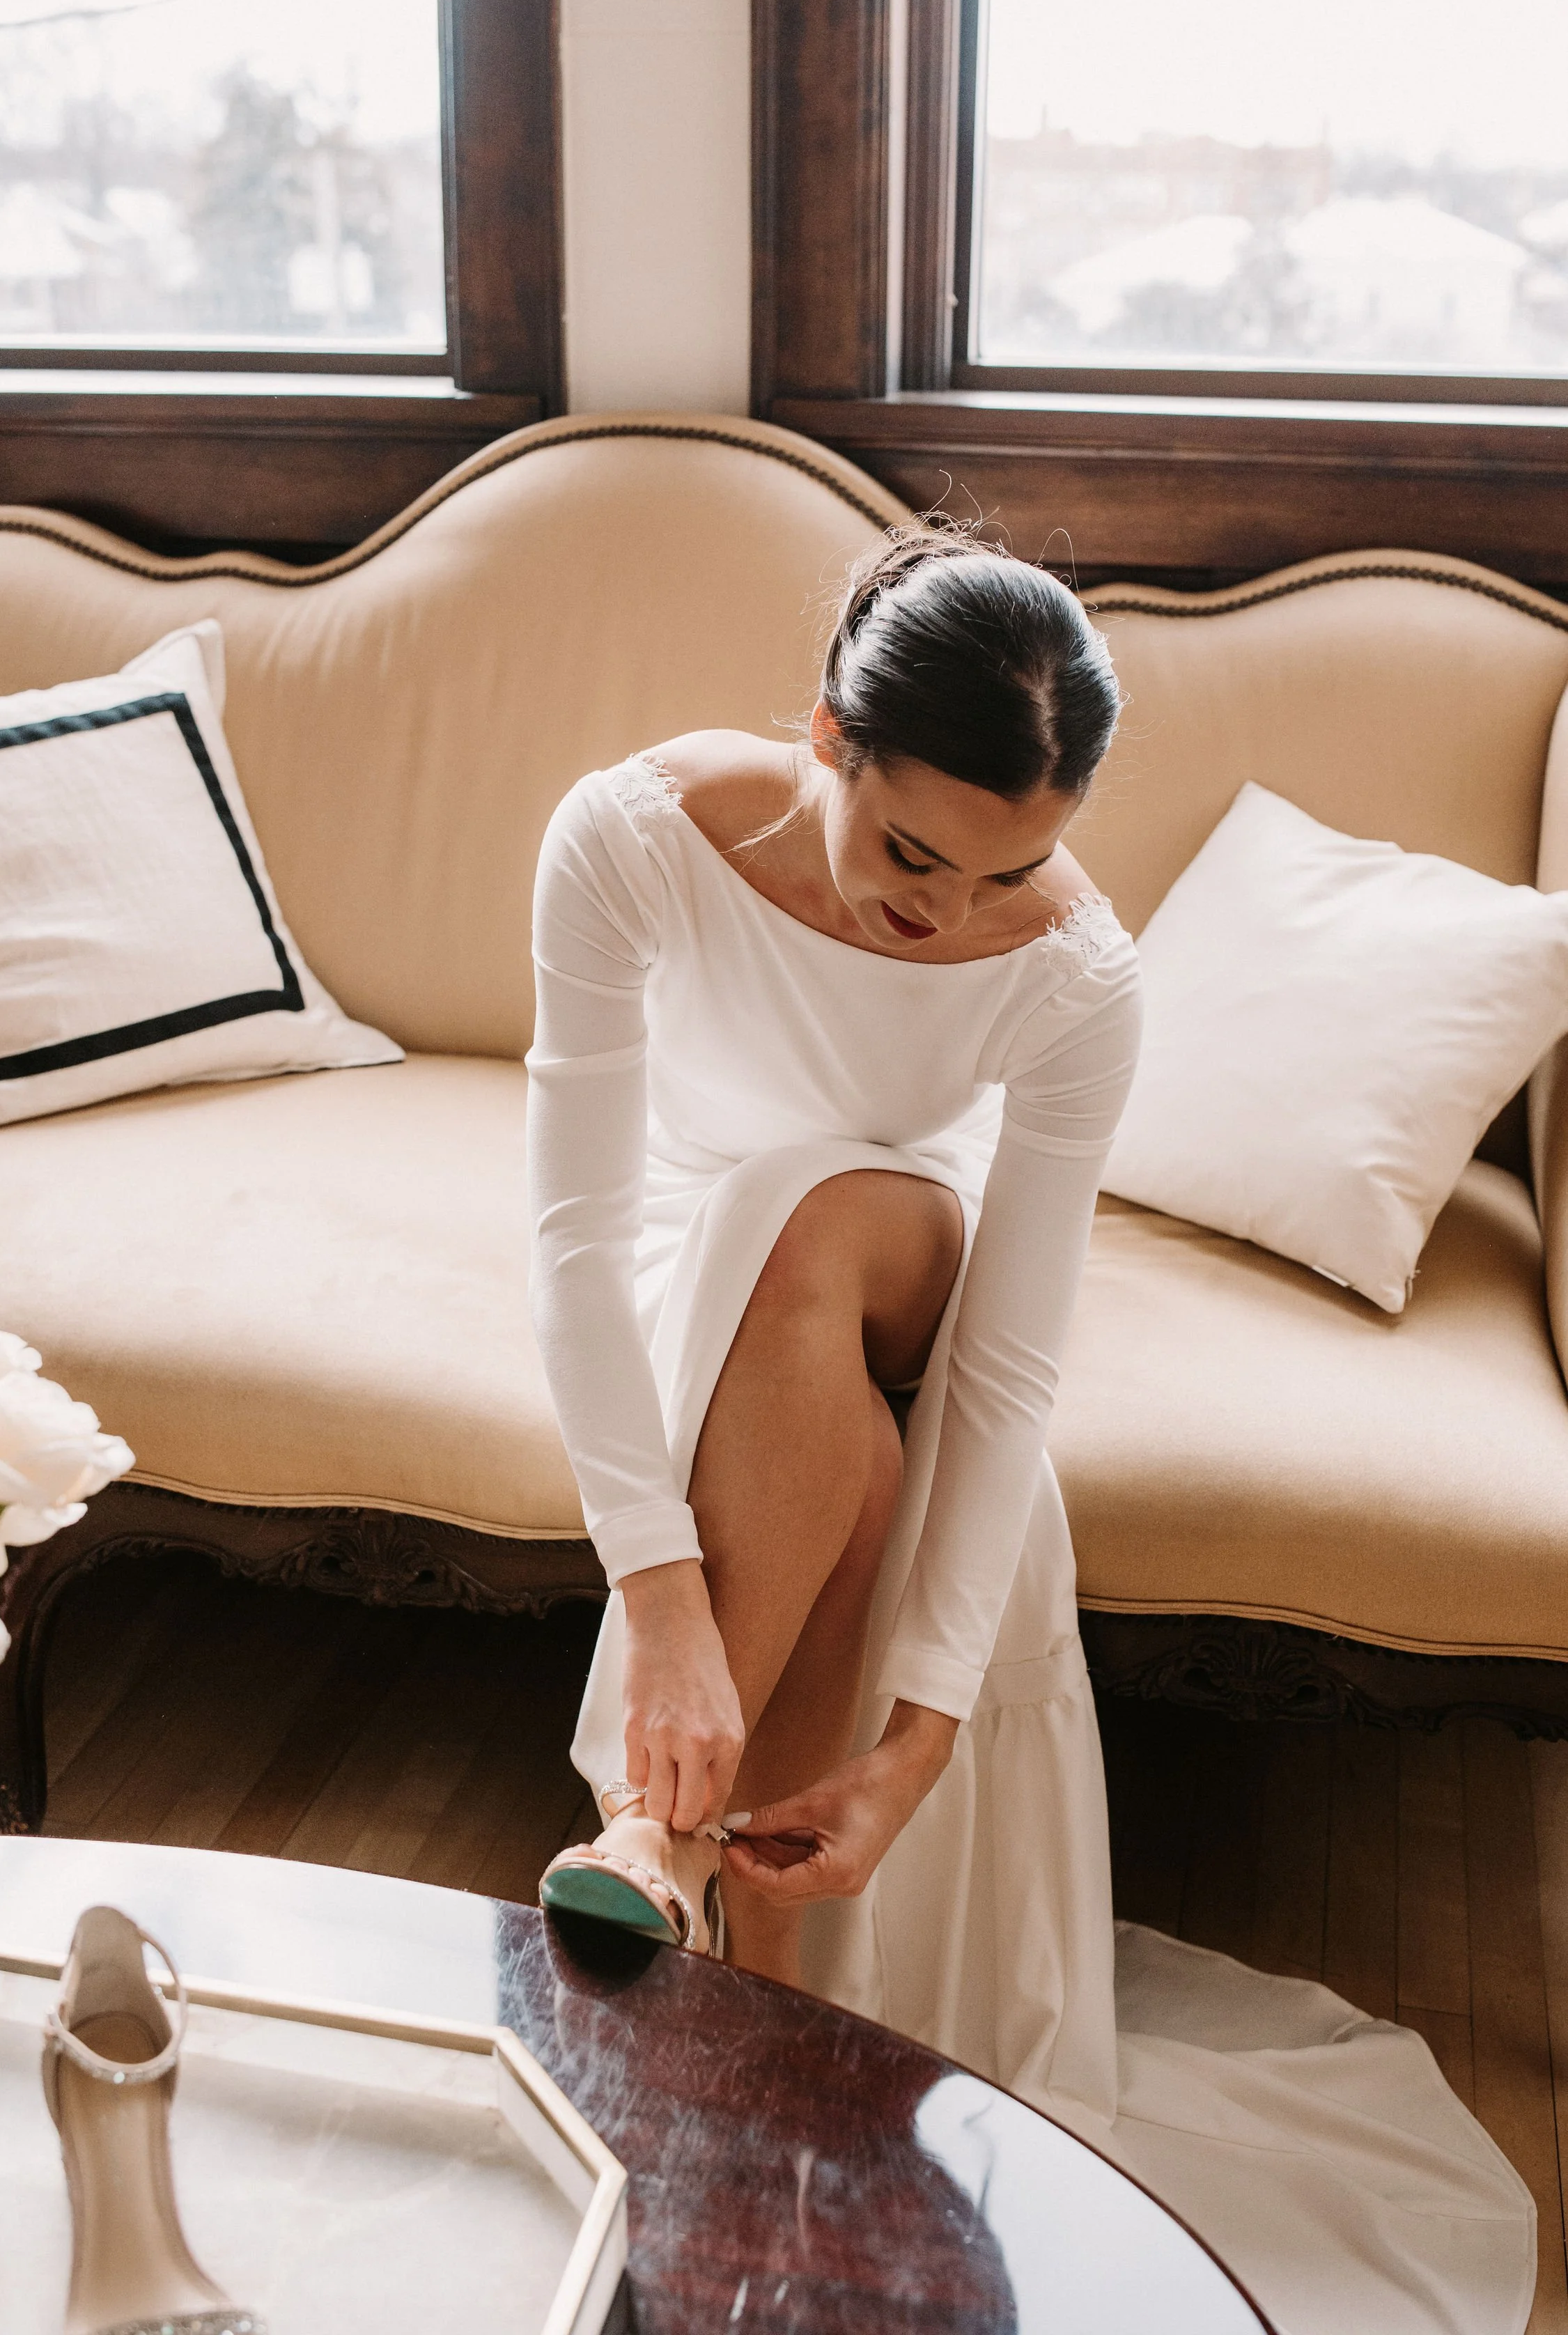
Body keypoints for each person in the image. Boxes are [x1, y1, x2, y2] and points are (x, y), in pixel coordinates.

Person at [527, 525, 1534, 2335]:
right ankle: (771, 2002)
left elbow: (1005, 1363)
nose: (950, 917)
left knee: (829, 1212)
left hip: (917, 1240)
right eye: (915, 855)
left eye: (1012, 870)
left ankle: (653, 1850)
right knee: (803, 1347)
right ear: (829, 736)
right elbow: (582, 1241)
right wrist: (659, 1601)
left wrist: (920, 1741)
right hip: (699, 1250)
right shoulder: (627, 840)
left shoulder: (1072, 973)